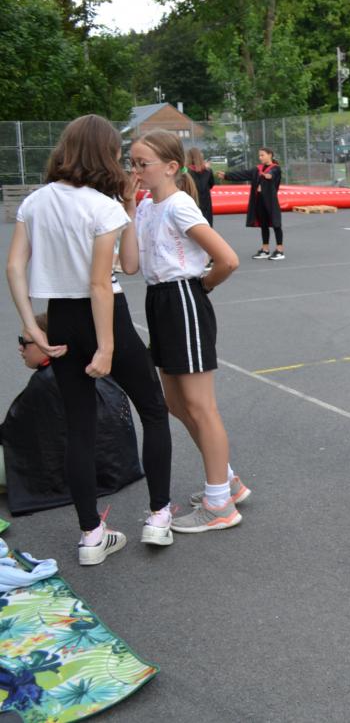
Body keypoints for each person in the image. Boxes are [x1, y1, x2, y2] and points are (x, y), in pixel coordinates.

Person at [5, 114, 175, 566]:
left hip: (59, 318)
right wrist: (106, 346)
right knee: (153, 410)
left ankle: (91, 535)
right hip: (104, 316)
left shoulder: (36, 202)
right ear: (104, 153)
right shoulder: (101, 207)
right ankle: (159, 515)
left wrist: (31, 325)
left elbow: (14, 266)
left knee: (79, 426)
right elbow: (102, 282)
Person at [129, 130, 248, 534]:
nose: (136, 170)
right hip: (159, 301)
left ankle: (219, 505)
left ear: (171, 167)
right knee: (175, 403)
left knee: (200, 406)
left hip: (182, 299)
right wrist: (127, 205)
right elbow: (131, 263)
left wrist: (203, 287)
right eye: (132, 163)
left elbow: (227, 259)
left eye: (143, 163)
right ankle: (228, 481)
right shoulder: (146, 207)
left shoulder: (179, 205)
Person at [1, 312, 143, 516]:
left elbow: (14, 434)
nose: (20, 348)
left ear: (49, 343)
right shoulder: (91, 364)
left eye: (25, 342)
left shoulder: (45, 382)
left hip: (92, 469)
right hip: (123, 465)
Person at [219, 148, 283, 260]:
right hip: (259, 200)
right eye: (259, 155)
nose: (260, 157)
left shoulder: (275, 168)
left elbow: (272, 174)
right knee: (263, 225)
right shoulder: (257, 169)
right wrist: (226, 175)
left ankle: (279, 250)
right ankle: (265, 249)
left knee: (276, 224)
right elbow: (243, 174)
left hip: (271, 201)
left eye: (262, 155)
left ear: (270, 155)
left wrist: (268, 175)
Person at [187, 146, 216, 225]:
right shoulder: (207, 171)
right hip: (205, 202)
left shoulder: (186, 172)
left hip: (191, 202)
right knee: (206, 225)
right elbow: (211, 185)